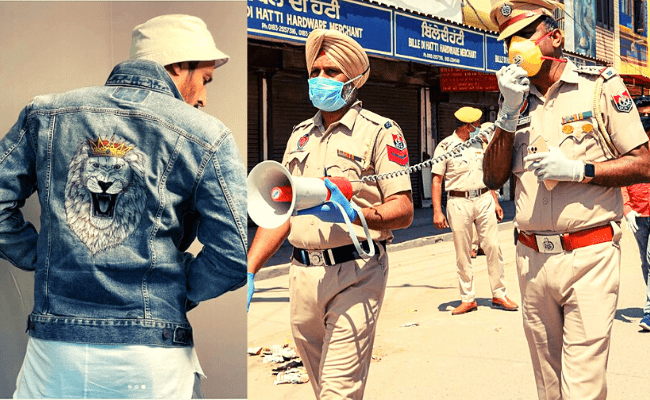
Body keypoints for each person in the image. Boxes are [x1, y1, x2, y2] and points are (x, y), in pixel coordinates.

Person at [0, 14, 247, 398]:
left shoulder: (46, 114)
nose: (202, 97)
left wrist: (45, 256)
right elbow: (233, 256)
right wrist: (178, 292)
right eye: (205, 80)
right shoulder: (207, 136)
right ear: (179, 65)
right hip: (151, 360)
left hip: (54, 352)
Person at [484, 1, 650, 398]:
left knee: (583, 387)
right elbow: (491, 176)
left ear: (555, 37)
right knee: (549, 386)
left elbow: (643, 163)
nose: (515, 49)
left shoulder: (599, 85)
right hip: (531, 259)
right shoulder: (514, 99)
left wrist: (581, 171)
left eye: (525, 37)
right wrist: (506, 114)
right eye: (508, 42)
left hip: (589, 256)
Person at [247, 29, 413, 399]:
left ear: (354, 81)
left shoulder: (381, 131)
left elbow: (402, 210)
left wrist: (353, 215)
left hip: (356, 272)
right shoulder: (300, 135)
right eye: (316, 71)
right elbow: (279, 210)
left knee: (339, 391)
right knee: (324, 388)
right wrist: (249, 268)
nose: (320, 79)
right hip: (302, 275)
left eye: (332, 72)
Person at [431, 107, 518, 315]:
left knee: (493, 247)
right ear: (467, 126)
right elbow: (437, 180)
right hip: (458, 202)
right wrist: (437, 210)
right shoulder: (445, 146)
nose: (479, 128)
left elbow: (489, 174)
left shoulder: (482, 143)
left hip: (484, 198)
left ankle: (499, 294)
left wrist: (495, 200)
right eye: (477, 124)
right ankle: (468, 298)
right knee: (463, 252)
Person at [622, 95, 650, 331]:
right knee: (645, 262)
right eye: (641, 115)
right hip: (638, 213)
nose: (645, 118)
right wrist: (626, 208)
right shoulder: (628, 144)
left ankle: (649, 311)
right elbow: (622, 178)